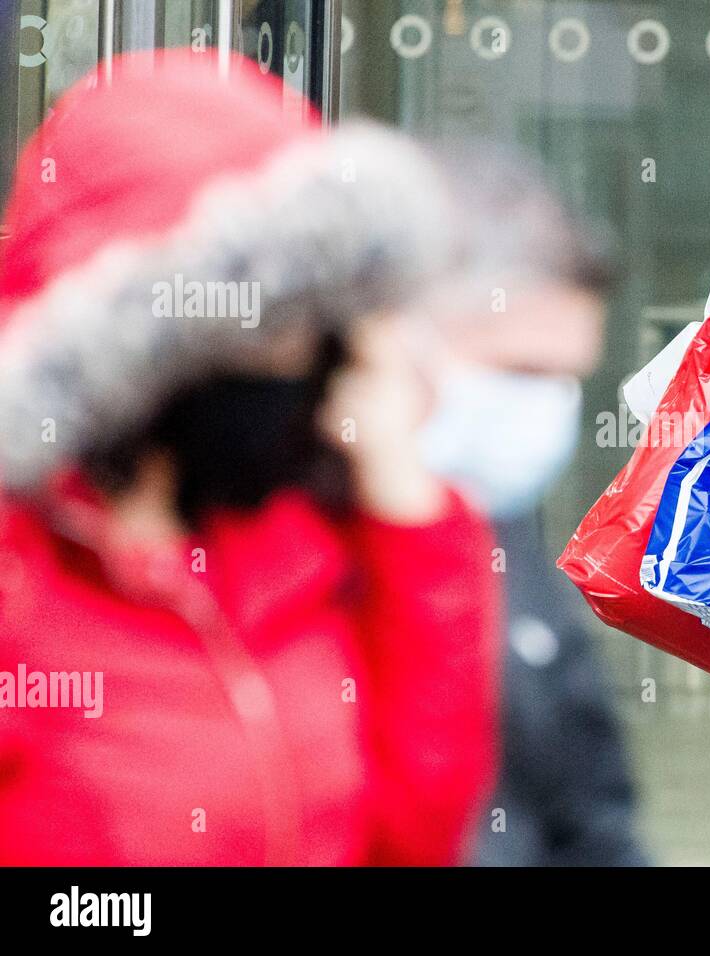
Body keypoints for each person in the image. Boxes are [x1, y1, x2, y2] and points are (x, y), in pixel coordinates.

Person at [0, 50, 498, 865]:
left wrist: (405, 509)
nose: (301, 364)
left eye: (320, 324)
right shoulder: (27, 574)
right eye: (269, 325)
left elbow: (415, 830)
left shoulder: (292, 542)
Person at [415, 141, 647, 866]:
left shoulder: (506, 549)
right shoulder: (262, 555)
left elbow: (592, 816)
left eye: (563, 380)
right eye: (516, 370)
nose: (540, 409)